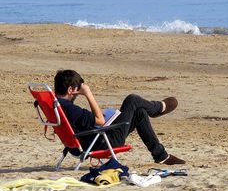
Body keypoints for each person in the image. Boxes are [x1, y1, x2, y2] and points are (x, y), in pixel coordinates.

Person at [54, 69, 185, 165]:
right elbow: (100, 121)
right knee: (132, 99)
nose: (78, 94)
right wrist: (88, 93)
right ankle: (157, 108)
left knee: (139, 113)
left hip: (86, 142)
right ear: (70, 90)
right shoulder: (71, 110)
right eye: (77, 91)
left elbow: (87, 122)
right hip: (103, 143)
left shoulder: (55, 105)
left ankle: (161, 156)